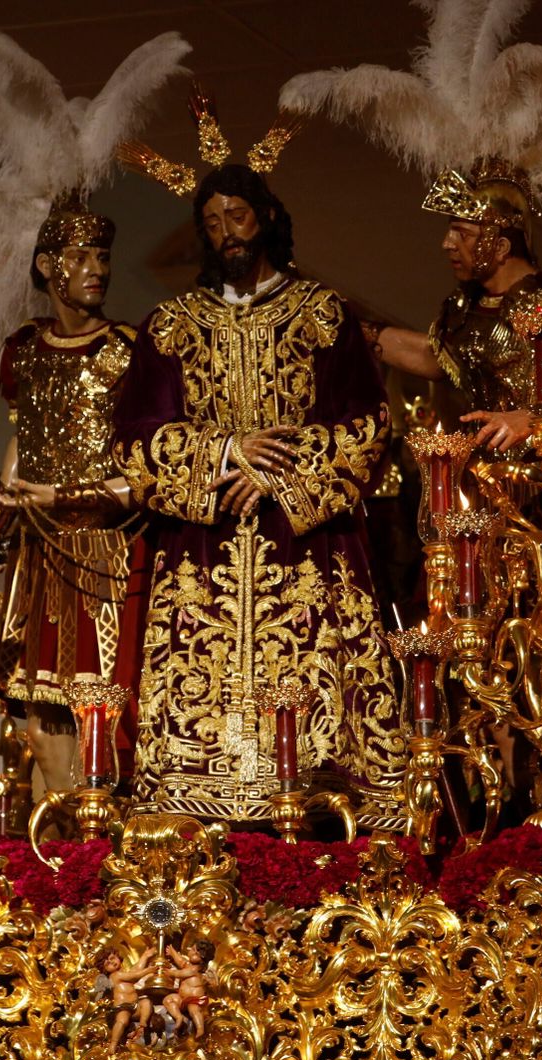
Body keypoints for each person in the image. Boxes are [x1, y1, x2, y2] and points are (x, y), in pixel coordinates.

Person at [114, 131, 402, 827]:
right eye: (211, 224)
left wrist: (281, 471)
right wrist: (226, 452)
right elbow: (134, 440)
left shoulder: (324, 315)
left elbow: (369, 427)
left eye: (236, 217)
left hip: (308, 546)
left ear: (267, 217)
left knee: (316, 723)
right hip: (204, 548)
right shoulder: (171, 326)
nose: (226, 234)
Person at [0, 201, 144, 799]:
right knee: (41, 728)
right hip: (38, 554)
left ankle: (97, 852)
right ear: (47, 266)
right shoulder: (27, 352)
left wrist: (74, 498)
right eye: (81, 257)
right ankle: (61, 859)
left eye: (103, 257)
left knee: (102, 721)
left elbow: (149, 464)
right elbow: (24, 439)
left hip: (104, 554)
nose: (98, 270)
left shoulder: (128, 352)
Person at [370, 159, 542, 451]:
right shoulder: (465, 306)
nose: (447, 244)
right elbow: (435, 358)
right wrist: (354, 328)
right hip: (488, 475)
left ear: (501, 247)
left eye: (462, 233)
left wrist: (537, 417)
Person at [98, 946, 158, 1052]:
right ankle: (113, 1043)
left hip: (134, 1006)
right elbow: (135, 976)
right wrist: (148, 970)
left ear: (118, 957)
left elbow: (136, 969)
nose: (112, 962)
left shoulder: (124, 973)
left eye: (112, 958)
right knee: (122, 1020)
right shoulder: (115, 975)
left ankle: (143, 1023)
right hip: (122, 1007)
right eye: (107, 964)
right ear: (104, 969)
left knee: (146, 1002)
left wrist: (145, 956)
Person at [160, 939, 215, 1037]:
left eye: (195, 951)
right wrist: (172, 953)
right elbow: (181, 961)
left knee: (194, 1010)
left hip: (194, 1000)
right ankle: (179, 1017)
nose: (191, 952)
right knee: (168, 1000)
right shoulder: (189, 966)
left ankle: (200, 1029)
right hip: (182, 999)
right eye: (192, 949)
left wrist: (171, 973)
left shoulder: (195, 969)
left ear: (202, 957)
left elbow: (180, 973)